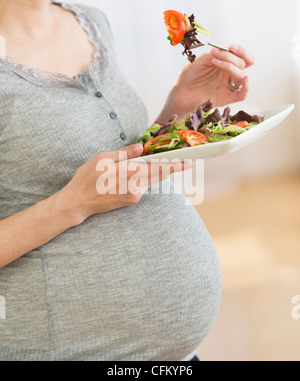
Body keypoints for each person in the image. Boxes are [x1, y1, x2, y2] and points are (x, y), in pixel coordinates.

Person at [0, 1, 255, 361]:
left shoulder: (90, 22)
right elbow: (85, 188)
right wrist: (73, 204)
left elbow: (121, 157)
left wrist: (182, 108)